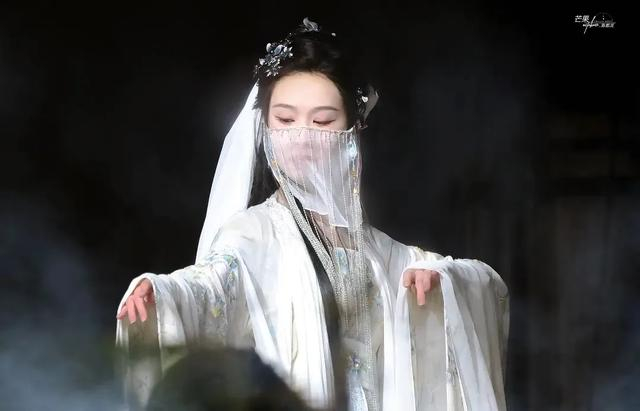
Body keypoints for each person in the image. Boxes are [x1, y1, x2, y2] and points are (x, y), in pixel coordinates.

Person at [115, 17, 510, 411]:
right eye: (285, 120)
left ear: (354, 127)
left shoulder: (386, 256)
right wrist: (164, 294)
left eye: (322, 121)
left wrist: (442, 282)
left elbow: (484, 286)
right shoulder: (253, 236)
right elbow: (212, 284)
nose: (301, 137)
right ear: (264, 126)